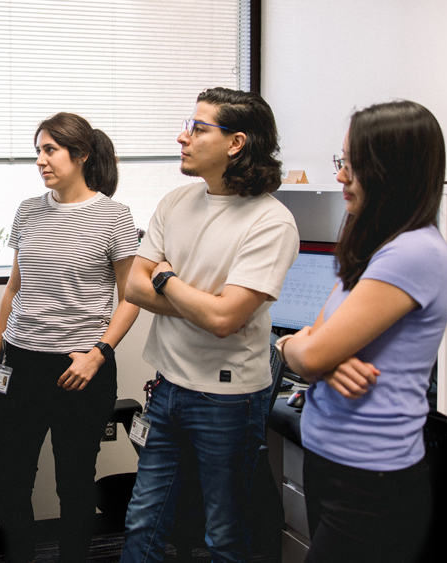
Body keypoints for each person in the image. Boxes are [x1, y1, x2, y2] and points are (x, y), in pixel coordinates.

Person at [120, 87, 299, 563]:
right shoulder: (176, 201)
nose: (184, 137)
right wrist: (202, 301)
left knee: (224, 534)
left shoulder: (271, 222)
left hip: (228, 400)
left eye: (199, 128)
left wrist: (165, 277)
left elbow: (225, 320)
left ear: (236, 142)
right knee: (142, 522)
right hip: (168, 388)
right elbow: (133, 289)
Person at [275, 100, 447, 563]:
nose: (340, 177)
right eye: (342, 162)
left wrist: (314, 355)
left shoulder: (414, 253)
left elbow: (311, 354)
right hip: (330, 456)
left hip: (370, 476)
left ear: (391, 171)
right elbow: (309, 340)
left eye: (352, 166)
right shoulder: (375, 247)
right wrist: (305, 348)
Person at [0, 112, 140, 563]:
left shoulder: (114, 217)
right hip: (20, 362)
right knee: (9, 481)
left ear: (82, 155)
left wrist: (98, 355)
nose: (40, 161)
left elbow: (131, 298)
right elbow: (14, 289)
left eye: (50, 150)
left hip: (80, 369)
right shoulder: (28, 210)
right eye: (38, 151)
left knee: (73, 483)